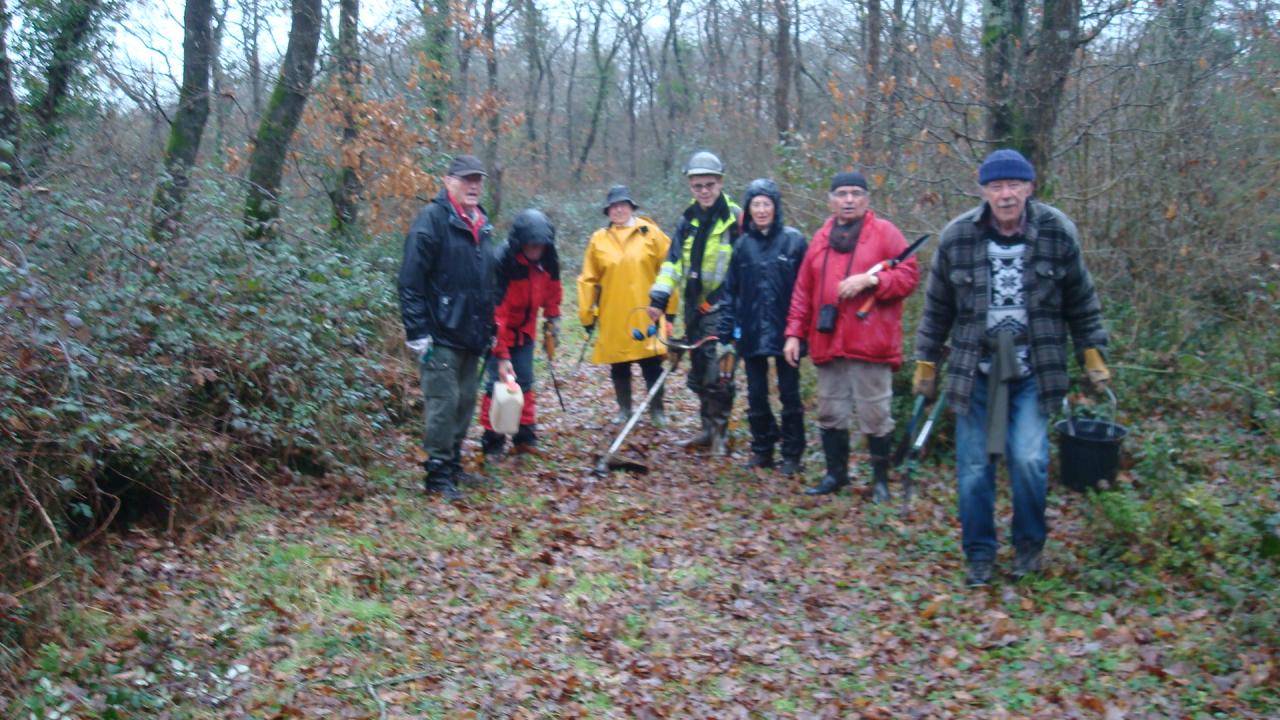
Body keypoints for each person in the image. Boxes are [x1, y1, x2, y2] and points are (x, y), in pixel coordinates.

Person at [913, 149, 1111, 587]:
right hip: (975, 368)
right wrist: (926, 363)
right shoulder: (958, 236)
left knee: (1028, 457)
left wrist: (1092, 354)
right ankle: (980, 555)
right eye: (997, 187)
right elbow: (936, 309)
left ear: (1030, 187)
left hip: (1034, 367)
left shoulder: (1057, 232)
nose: (1006, 195)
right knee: (975, 466)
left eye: (1014, 185)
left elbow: (1082, 301)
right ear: (983, 191)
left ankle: (1028, 548)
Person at [784, 171, 919, 499]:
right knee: (831, 412)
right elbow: (803, 290)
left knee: (875, 415)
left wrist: (872, 282)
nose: (848, 200)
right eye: (841, 194)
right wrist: (793, 334)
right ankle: (836, 475)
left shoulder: (885, 234)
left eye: (856, 193)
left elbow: (909, 276)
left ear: (866, 199)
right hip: (828, 342)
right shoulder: (820, 238)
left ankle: (881, 482)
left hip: (870, 343)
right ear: (830, 200)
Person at [398, 154, 501, 501]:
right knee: (443, 404)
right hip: (439, 334)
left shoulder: (481, 223)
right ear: (448, 182)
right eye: (466, 179)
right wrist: (417, 332)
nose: (473, 186)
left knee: (465, 403)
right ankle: (437, 475)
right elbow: (410, 281)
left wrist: (491, 325)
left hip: (471, 334)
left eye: (478, 180)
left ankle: (453, 465)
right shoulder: (432, 220)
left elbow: (486, 281)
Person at [647, 151, 742, 455]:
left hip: (724, 307)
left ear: (720, 183)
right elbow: (673, 263)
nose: (703, 191)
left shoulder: (736, 219)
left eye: (709, 185)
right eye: (697, 185)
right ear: (690, 185)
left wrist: (722, 299)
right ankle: (705, 429)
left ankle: (720, 434)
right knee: (699, 369)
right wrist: (659, 298)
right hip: (694, 307)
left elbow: (743, 266)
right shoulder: (687, 219)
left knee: (719, 370)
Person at [719, 178, 808, 475]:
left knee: (789, 394)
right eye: (755, 204)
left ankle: (793, 454)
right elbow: (731, 289)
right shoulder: (742, 245)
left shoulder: (794, 241)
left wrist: (800, 329)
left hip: (787, 332)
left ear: (775, 207)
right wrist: (727, 325)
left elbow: (806, 288)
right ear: (748, 209)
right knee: (756, 393)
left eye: (766, 204)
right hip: (752, 329)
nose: (761, 210)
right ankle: (762, 449)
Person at [578, 186, 677, 426]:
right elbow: (588, 279)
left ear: (632, 207)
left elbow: (670, 268)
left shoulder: (651, 234)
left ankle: (657, 411)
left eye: (623, 204)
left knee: (651, 363)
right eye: (613, 206)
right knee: (619, 364)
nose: (618, 209)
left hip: (648, 311)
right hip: (613, 313)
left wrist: (670, 310)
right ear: (608, 211)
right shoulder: (598, 239)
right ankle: (625, 409)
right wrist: (587, 315)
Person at [479, 209, 562, 459]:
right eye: (531, 245)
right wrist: (502, 355)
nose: (536, 249)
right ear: (521, 243)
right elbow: (497, 315)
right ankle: (493, 441)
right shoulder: (503, 263)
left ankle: (524, 437)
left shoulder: (548, 259)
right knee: (498, 385)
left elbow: (553, 290)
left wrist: (553, 317)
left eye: (540, 245)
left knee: (524, 383)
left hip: (526, 332)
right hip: (499, 331)